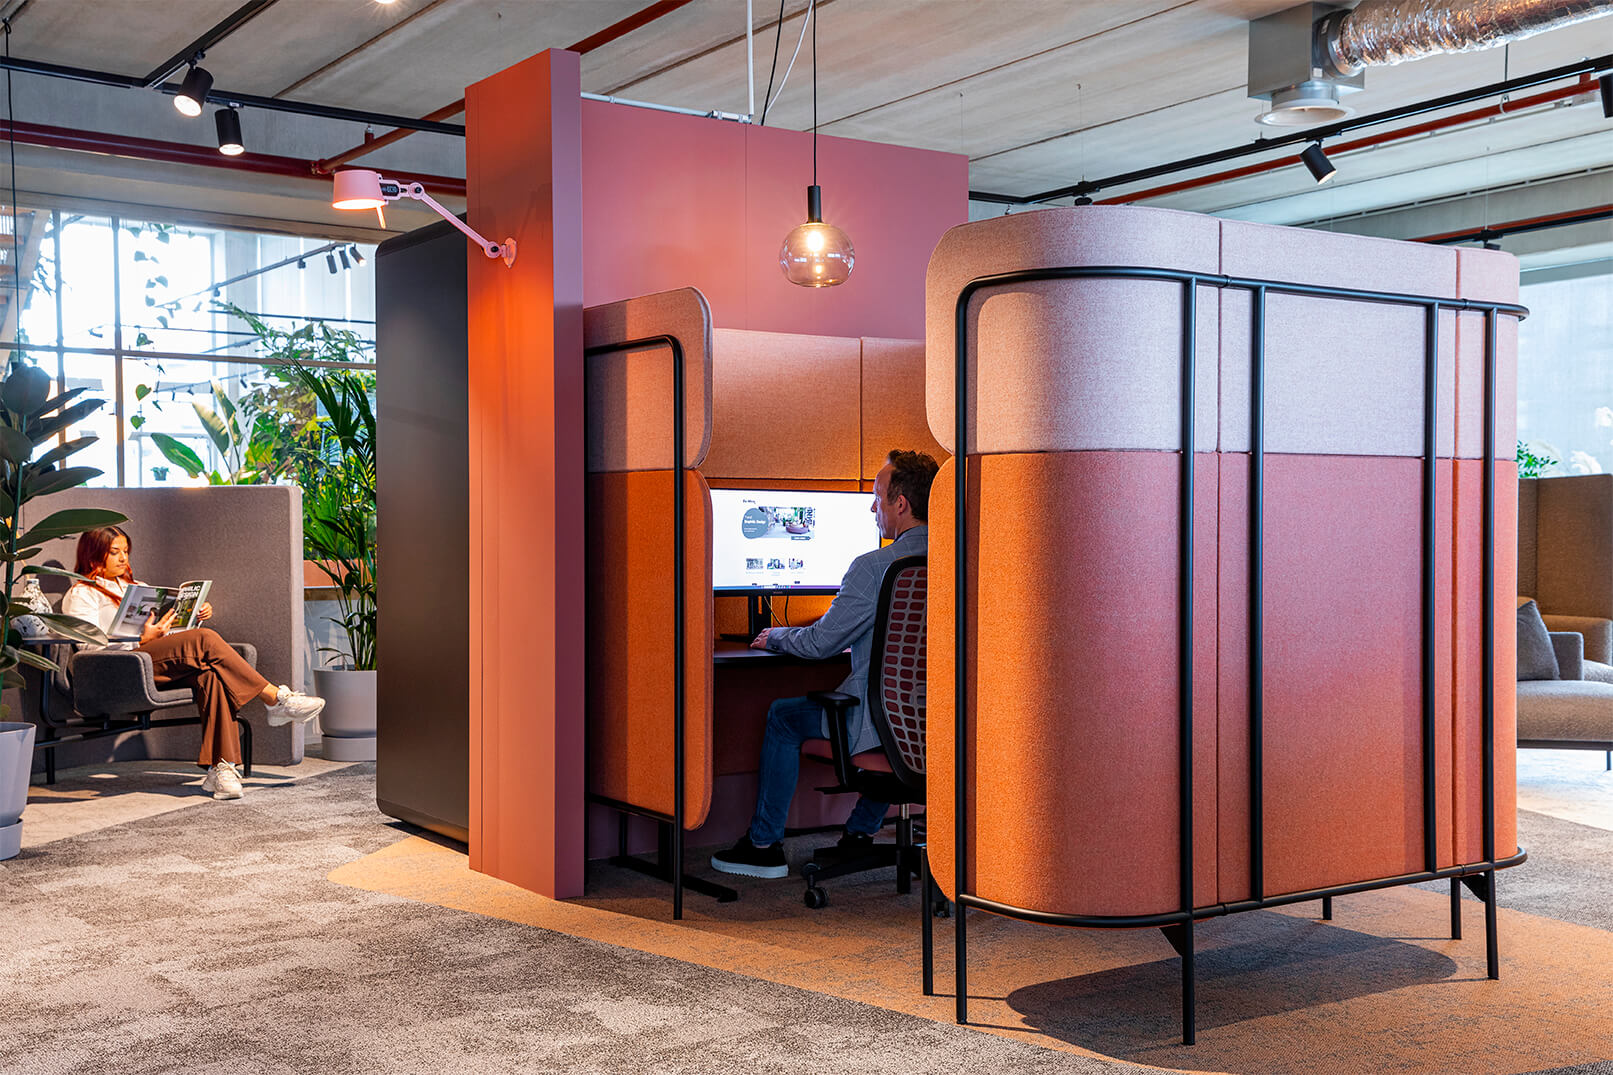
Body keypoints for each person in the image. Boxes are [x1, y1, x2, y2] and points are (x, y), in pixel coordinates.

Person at [711, 449, 940, 879]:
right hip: (939, 726)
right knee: (894, 719)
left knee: (783, 717)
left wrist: (775, 636)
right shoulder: (958, 560)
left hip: (883, 725)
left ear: (900, 504)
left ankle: (763, 847)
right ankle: (859, 833)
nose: (872, 509)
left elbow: (820, 644)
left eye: (877, 498)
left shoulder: (875, 568)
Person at [59, 525, 326, 801]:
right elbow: (87, 647)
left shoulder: (139, 588)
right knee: (205, 639)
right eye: (114, 552)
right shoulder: (82, 594)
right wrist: (140, 640)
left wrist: (192, 617)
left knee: (211, 675)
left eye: (126, 551)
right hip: (117, 670)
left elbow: (167, 635)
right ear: (93, 555)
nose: (123, 558)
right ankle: (274, 698)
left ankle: (221, 769)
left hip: (152, 663)